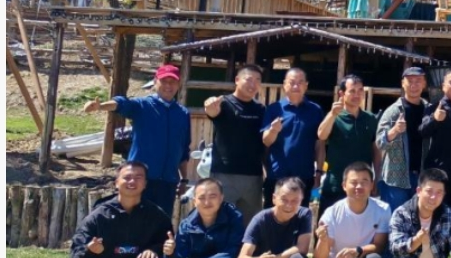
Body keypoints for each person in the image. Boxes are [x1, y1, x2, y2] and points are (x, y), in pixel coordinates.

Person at [83, 63, 190, 215]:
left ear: (178, 84)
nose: (168, 85)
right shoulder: (143, 106)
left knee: (161, 225)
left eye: (172, 81)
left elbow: (183, 150)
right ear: (155, 82)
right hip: (139, 181)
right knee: (132, 222)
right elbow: (122, 104)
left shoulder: (183, 114)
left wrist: (184, 180)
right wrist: (101, 106)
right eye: (164, 81)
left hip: (168, 184)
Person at [203, 64, 266, 230]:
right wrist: (209, 107)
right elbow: (212, 112)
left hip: (253, 176)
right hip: (224, 174)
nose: (253, 84)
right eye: (249, 79)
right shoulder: (223, 103)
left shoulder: (261, 109)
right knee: (220, 222)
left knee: (250, 227)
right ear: (237, 80)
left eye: (257, 80)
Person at [261, 67, 325, 208]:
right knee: (272, 216)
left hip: (304, 176)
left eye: (300, 82)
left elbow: (319, 144)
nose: (296, 86)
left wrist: (319, 173)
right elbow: (266, 141)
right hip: (277, 175)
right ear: (284, 85)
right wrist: (273, 130)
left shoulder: (315, 110)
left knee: (300, 216)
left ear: (306, 85)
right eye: (292, 82)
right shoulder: (274, 109)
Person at [317, 74, 380, 216]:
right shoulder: (335, 117)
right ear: (342, 93)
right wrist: (332, 114)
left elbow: (376, 151)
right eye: (352, 91)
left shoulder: (370, 119)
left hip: (361, 186)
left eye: (360, 90)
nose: (357, 95)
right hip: (336, 184)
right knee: (327, 225)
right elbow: (321, 135)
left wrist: (377, 177)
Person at [376, 65, 429, 212]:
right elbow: (380, 142)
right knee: (395, 220)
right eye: (410, 81)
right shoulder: (393, 111)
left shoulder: (429, 110)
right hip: (396, 179)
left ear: (424, 84)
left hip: (422, 177)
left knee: (418, 220)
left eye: (418, 81)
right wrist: (394, 131)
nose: (414, 85)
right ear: (402, 83)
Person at [419, 69, 451, 214]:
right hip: (436, 171)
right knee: (431, 212)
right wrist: (435, 119)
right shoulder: (434, 107)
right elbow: (422, 131)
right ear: (443, 86)